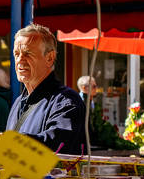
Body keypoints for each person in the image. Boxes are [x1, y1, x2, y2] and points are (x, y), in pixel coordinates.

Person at [5, 24, 85, 154]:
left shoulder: (66, 101)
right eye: (16, 54)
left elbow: (57, 148)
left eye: (27, 54)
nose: (20, 60)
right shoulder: (19, 102)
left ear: (49, 58)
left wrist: (3, 140)